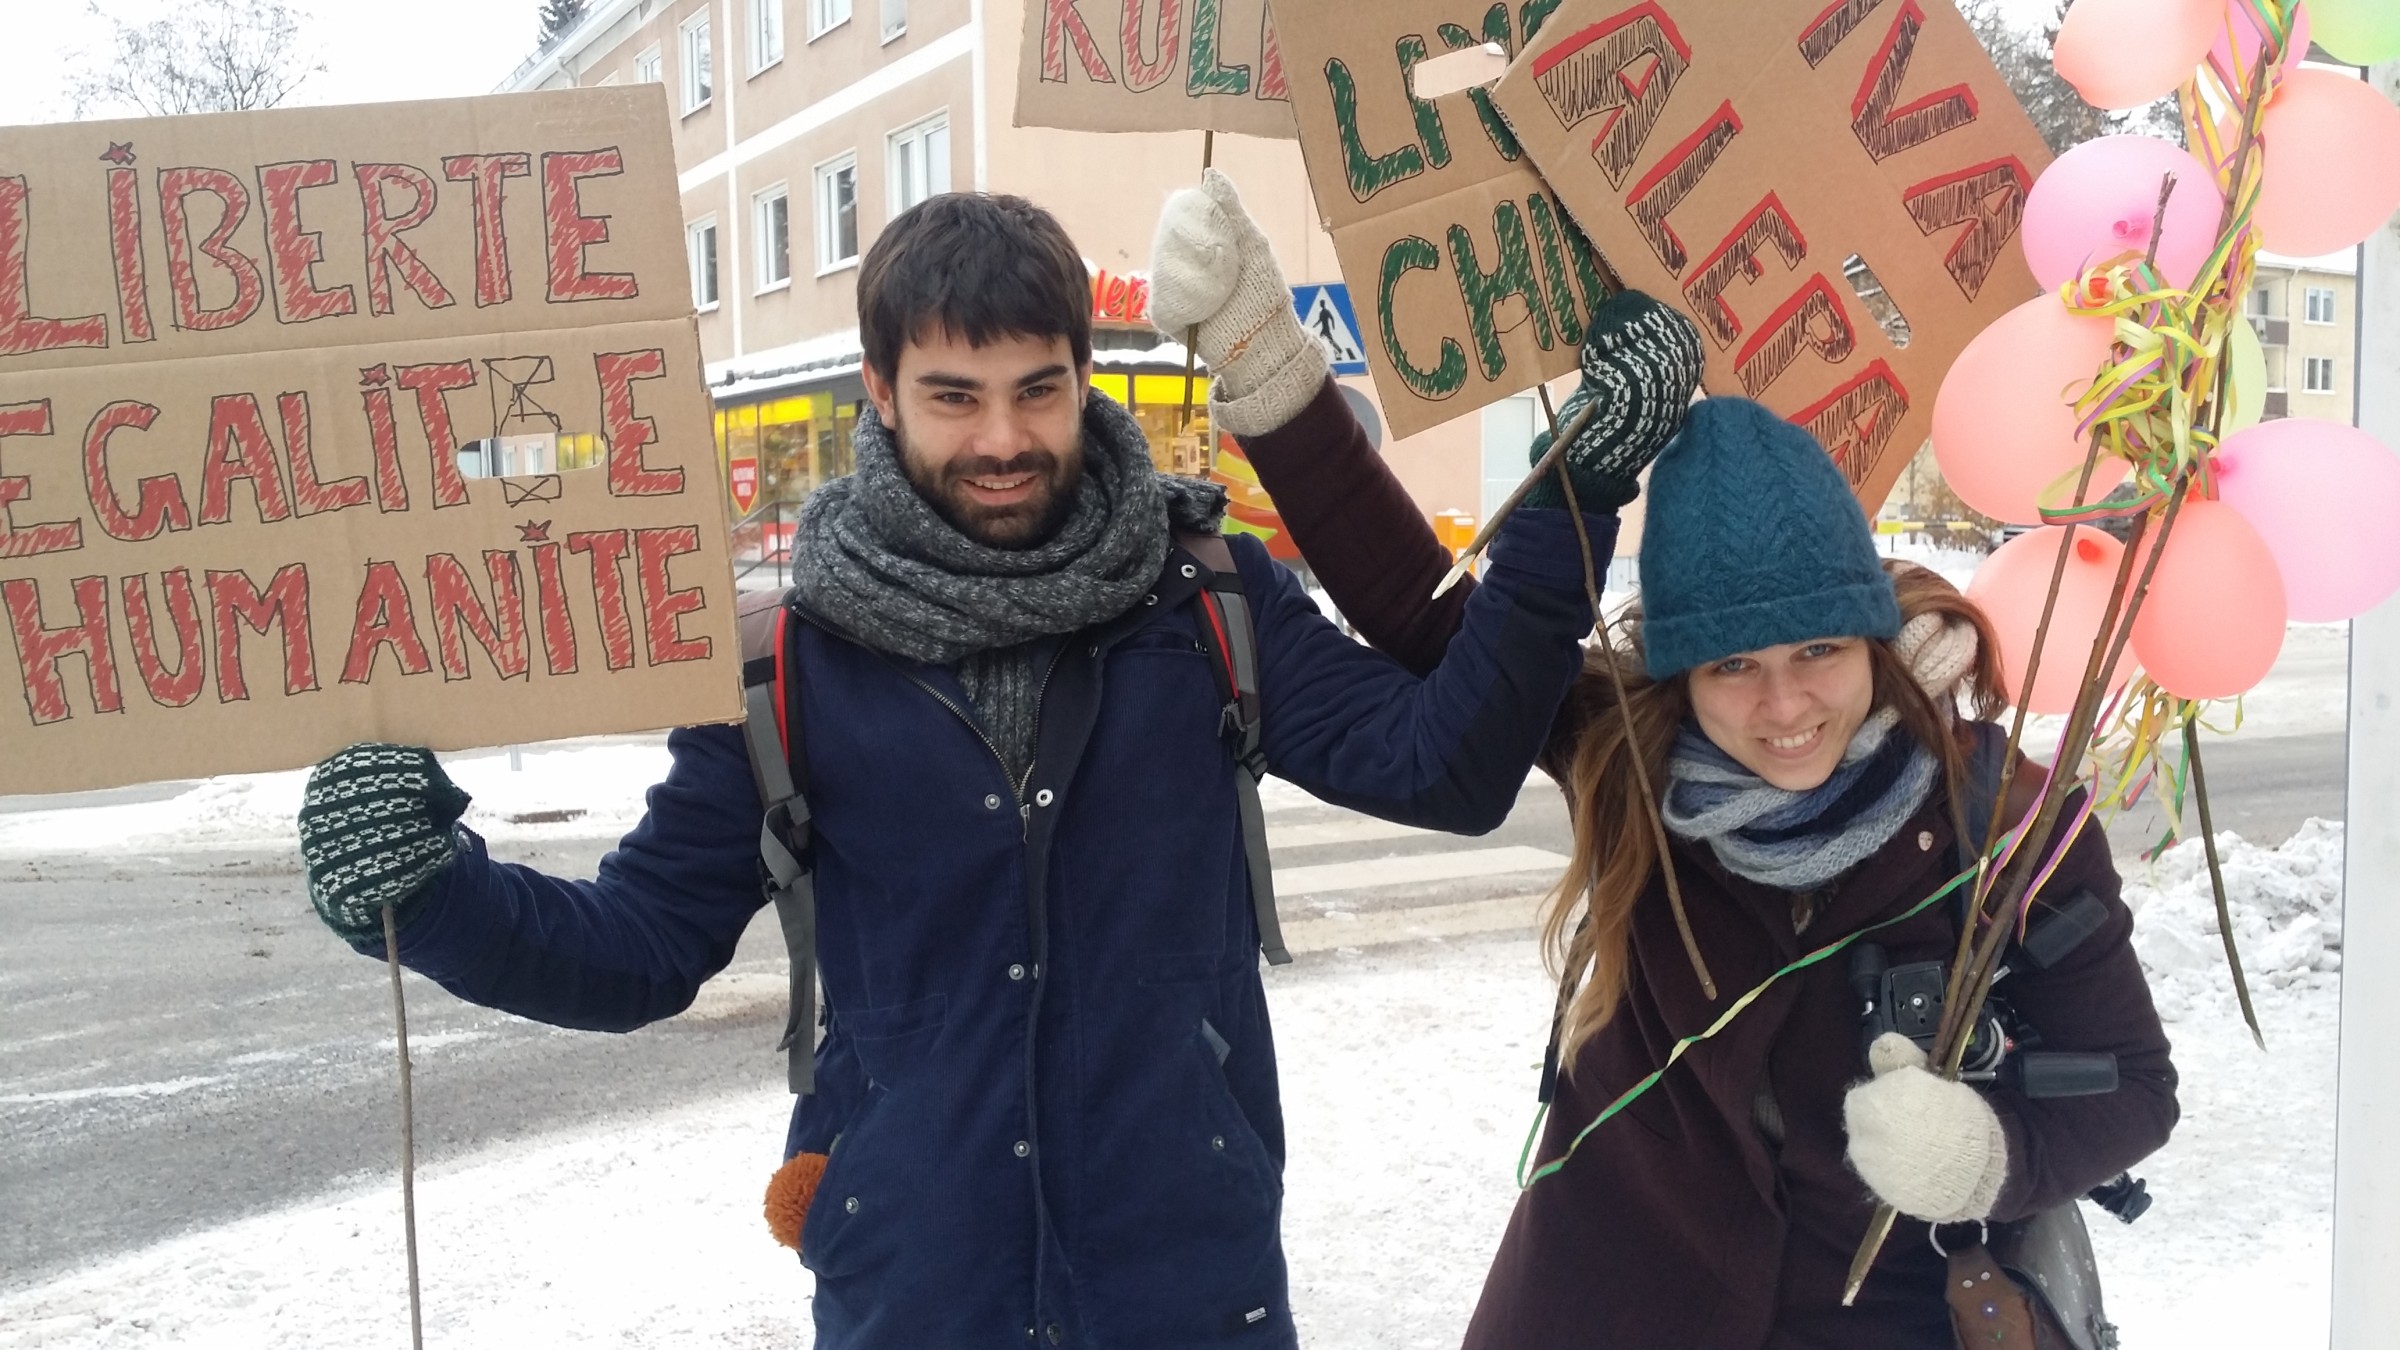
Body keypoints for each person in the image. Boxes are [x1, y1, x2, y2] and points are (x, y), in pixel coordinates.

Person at [295, 191, 1653, 1350]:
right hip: (918, 1297)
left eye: (1037, 390)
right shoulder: (786, 663)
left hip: (1187, 1289)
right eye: (954, 396)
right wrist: (428, 893)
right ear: (879, 392)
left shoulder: (1209, 604)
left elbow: (1450, 768)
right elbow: (638, 948)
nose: (1004, 439)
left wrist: (1572, 503)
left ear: (1081, 377)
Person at [1163, 184, 2179, 1347]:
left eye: (1818, 651)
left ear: (1871, 638)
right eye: (1732, 666)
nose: (1786, 704)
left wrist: (1987, 1155)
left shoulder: (2002, 822)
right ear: (1681, 676)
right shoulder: (1633, 759)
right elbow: (1422, 610)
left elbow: (2133, 1086)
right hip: (1603, 1305)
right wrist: (1263, 357)